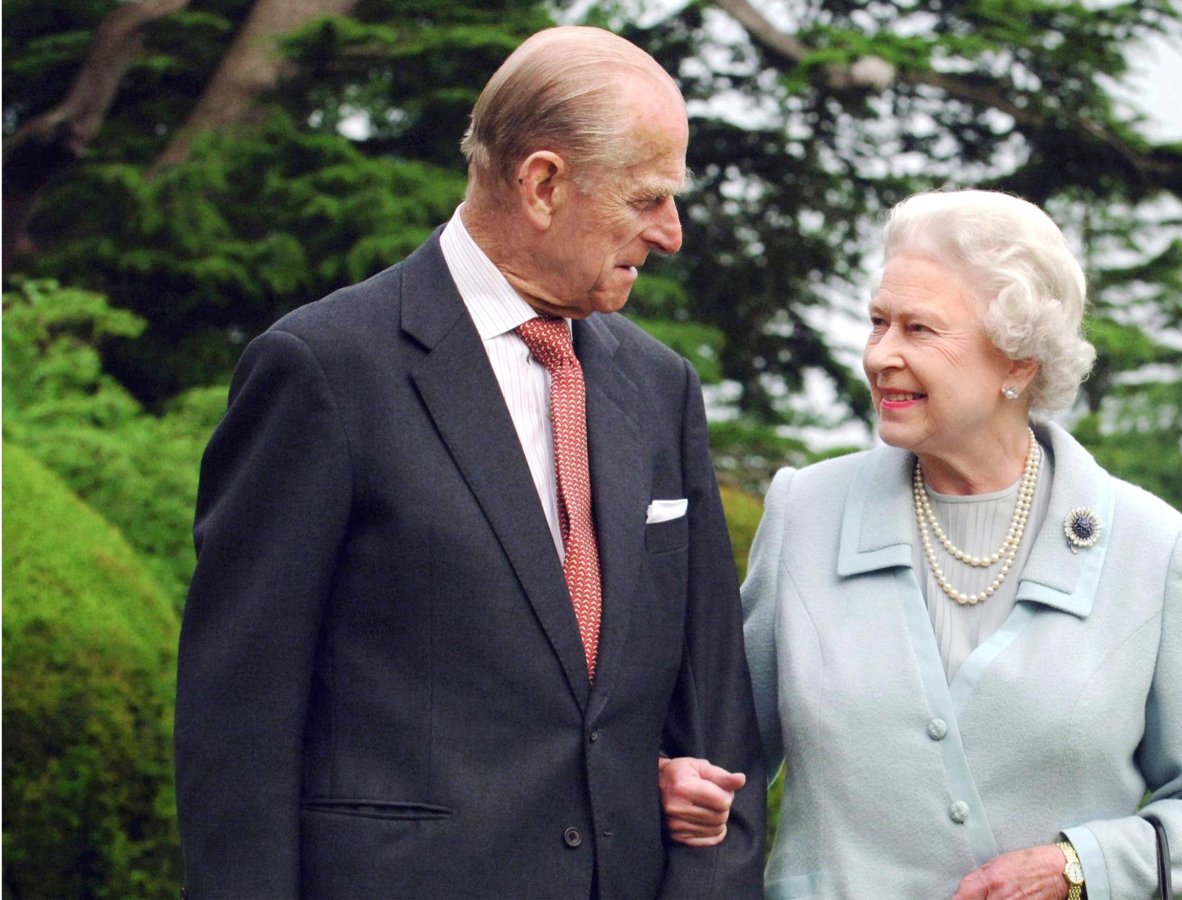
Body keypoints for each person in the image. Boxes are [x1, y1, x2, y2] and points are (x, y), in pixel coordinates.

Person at [175, 26, 763, 899]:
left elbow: (715, 715)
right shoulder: (324, 370)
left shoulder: (661, 386)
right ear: (543, 183)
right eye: (648, 199)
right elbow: (238, 724)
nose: (671, 234)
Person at [663, 190, 1182, 898]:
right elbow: (721, 753)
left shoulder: (1152, 549)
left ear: (1018, 361)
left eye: (920, 330)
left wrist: (1081, 868)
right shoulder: (806, 513)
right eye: (877, 323)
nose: (881, 355)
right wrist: (676, 776)